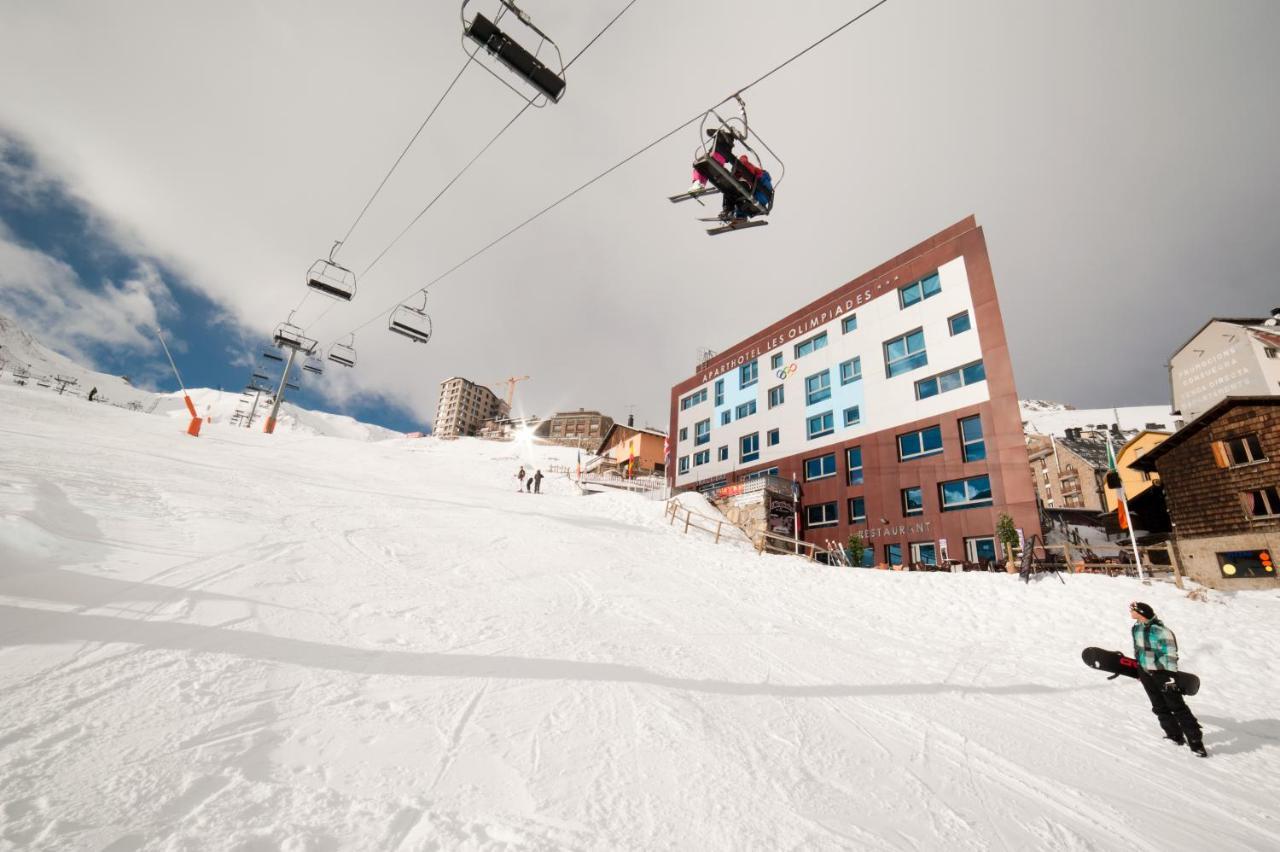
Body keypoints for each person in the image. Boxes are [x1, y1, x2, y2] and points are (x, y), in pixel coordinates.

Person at [1129, 601, 1206, 756]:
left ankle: (1196, 743)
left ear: (1140, 612)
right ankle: (1174, 735)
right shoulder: (1136, 628)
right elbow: (1138, 650)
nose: (1130, 613)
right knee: (1158, 706)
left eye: (1132, 610)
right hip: (1145, 672)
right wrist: (1140, 670)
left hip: (1162, 673)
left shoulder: (1162, 631)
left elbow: (1171, 654)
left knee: (1178, 707)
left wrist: (1170, 677)